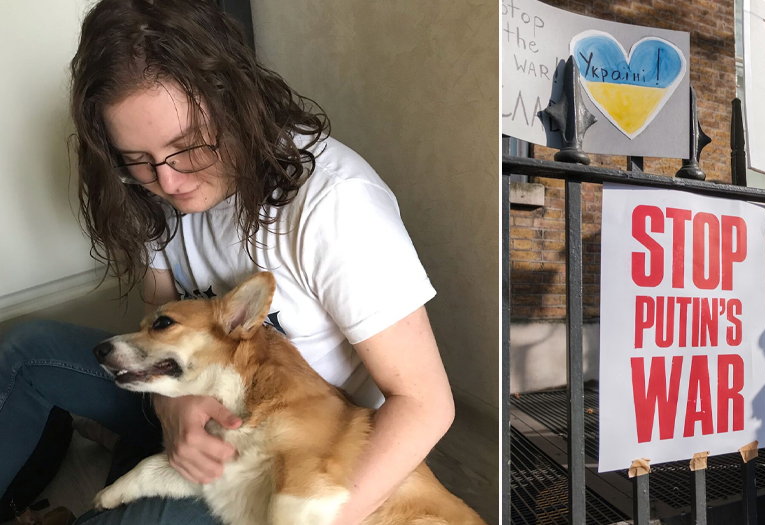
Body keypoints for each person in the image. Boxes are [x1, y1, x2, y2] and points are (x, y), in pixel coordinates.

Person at [0, 1, 456, 524]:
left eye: (188, 147)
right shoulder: (154, 193)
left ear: (236, 101)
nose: (168, 183)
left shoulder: (336, 205)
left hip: (274, 450)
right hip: (186, 391)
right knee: (24, 352)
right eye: (137, 161)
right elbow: (159, 309)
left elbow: (426, 405)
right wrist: (172, 410)